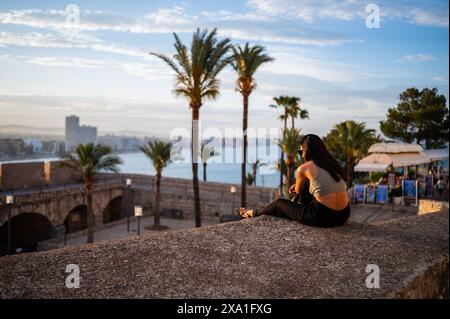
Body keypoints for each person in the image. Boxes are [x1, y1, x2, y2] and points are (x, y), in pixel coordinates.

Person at [239, 134, 350, 228]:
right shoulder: (332, 165)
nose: (301, 155)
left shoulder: (304, 168)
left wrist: (296, 187)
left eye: (301, 151)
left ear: (308, 151)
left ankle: (252, 213)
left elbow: (299, 190)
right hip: (344, 214)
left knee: (279, 204)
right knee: (306, 184)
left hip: (322, 217)